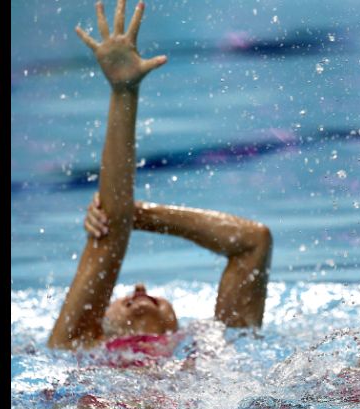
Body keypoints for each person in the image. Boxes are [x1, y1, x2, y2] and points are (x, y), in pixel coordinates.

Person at [48, 0, 272, 352]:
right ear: (96, 318)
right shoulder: (77, 346)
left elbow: (253, 241)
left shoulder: (215, 348)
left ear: (180, 325)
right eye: (118, 296)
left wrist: (135, 215)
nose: (139, 288)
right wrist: (124, 92)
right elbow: (111, 230)